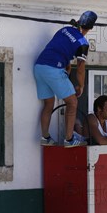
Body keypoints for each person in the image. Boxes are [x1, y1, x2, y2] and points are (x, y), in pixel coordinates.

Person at [33, 10, 97, 147]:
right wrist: (81, 85)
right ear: (90, 28)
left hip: (39, 67)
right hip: (54, 68)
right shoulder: (83, 43)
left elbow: (60, 47)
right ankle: (69, 139)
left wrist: (67, 65)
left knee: (49, 103)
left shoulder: (65, 30)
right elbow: (80, 67)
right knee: (72, 102)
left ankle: (45, 137)